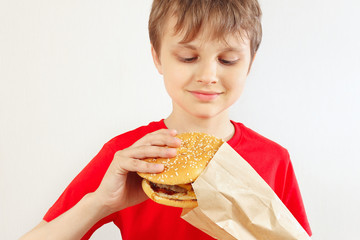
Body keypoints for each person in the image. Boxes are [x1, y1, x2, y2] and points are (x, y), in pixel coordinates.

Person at [20, 0, 312, 239]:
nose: (208, 76)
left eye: (227, 60)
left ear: (250, 63)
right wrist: (100, 203)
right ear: (158, 57)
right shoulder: (129, 158)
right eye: (188, 57)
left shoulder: (274, 161)